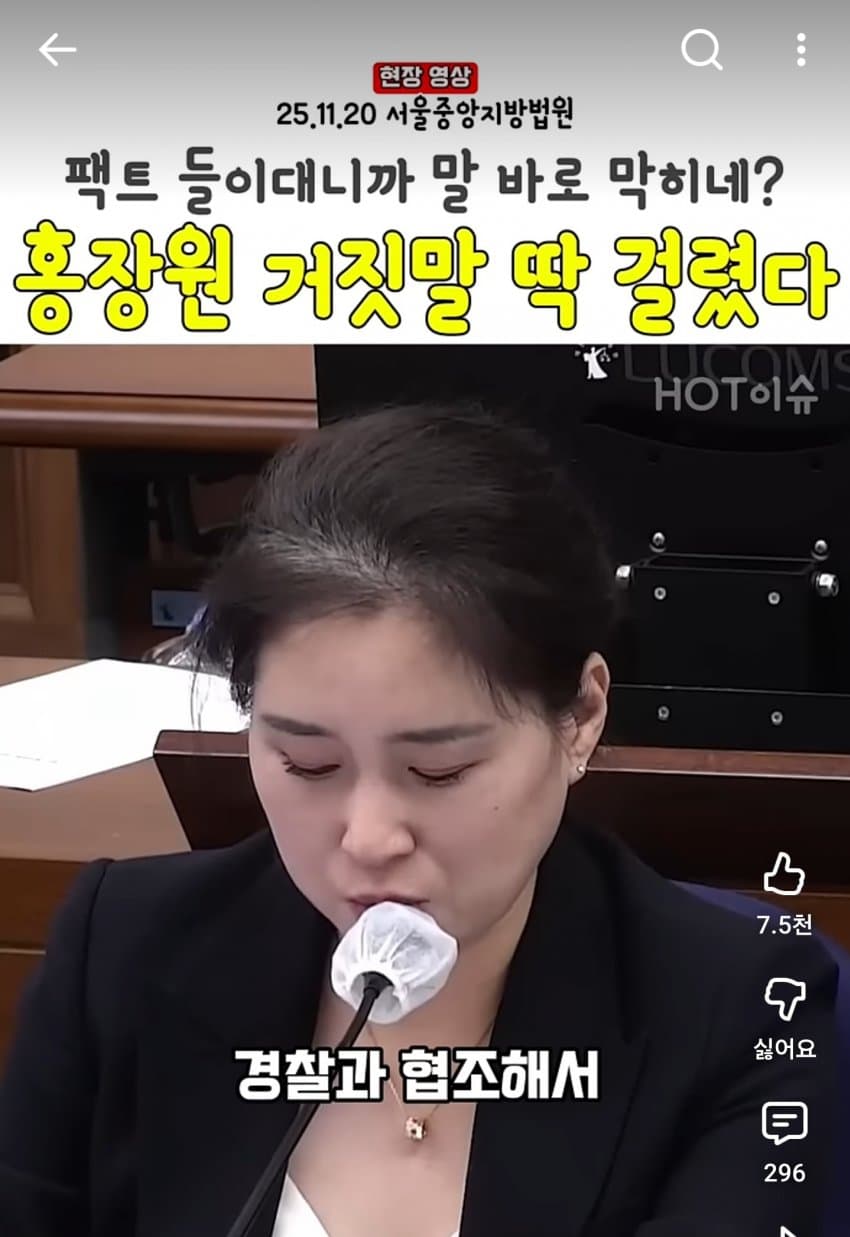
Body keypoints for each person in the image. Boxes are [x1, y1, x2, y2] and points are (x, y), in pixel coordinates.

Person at [0, 403, 838, 1237]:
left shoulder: (744, 1009)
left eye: (439, 771)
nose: (368, 839)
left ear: (581, 717)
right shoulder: (120, 950)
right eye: (307, 762)